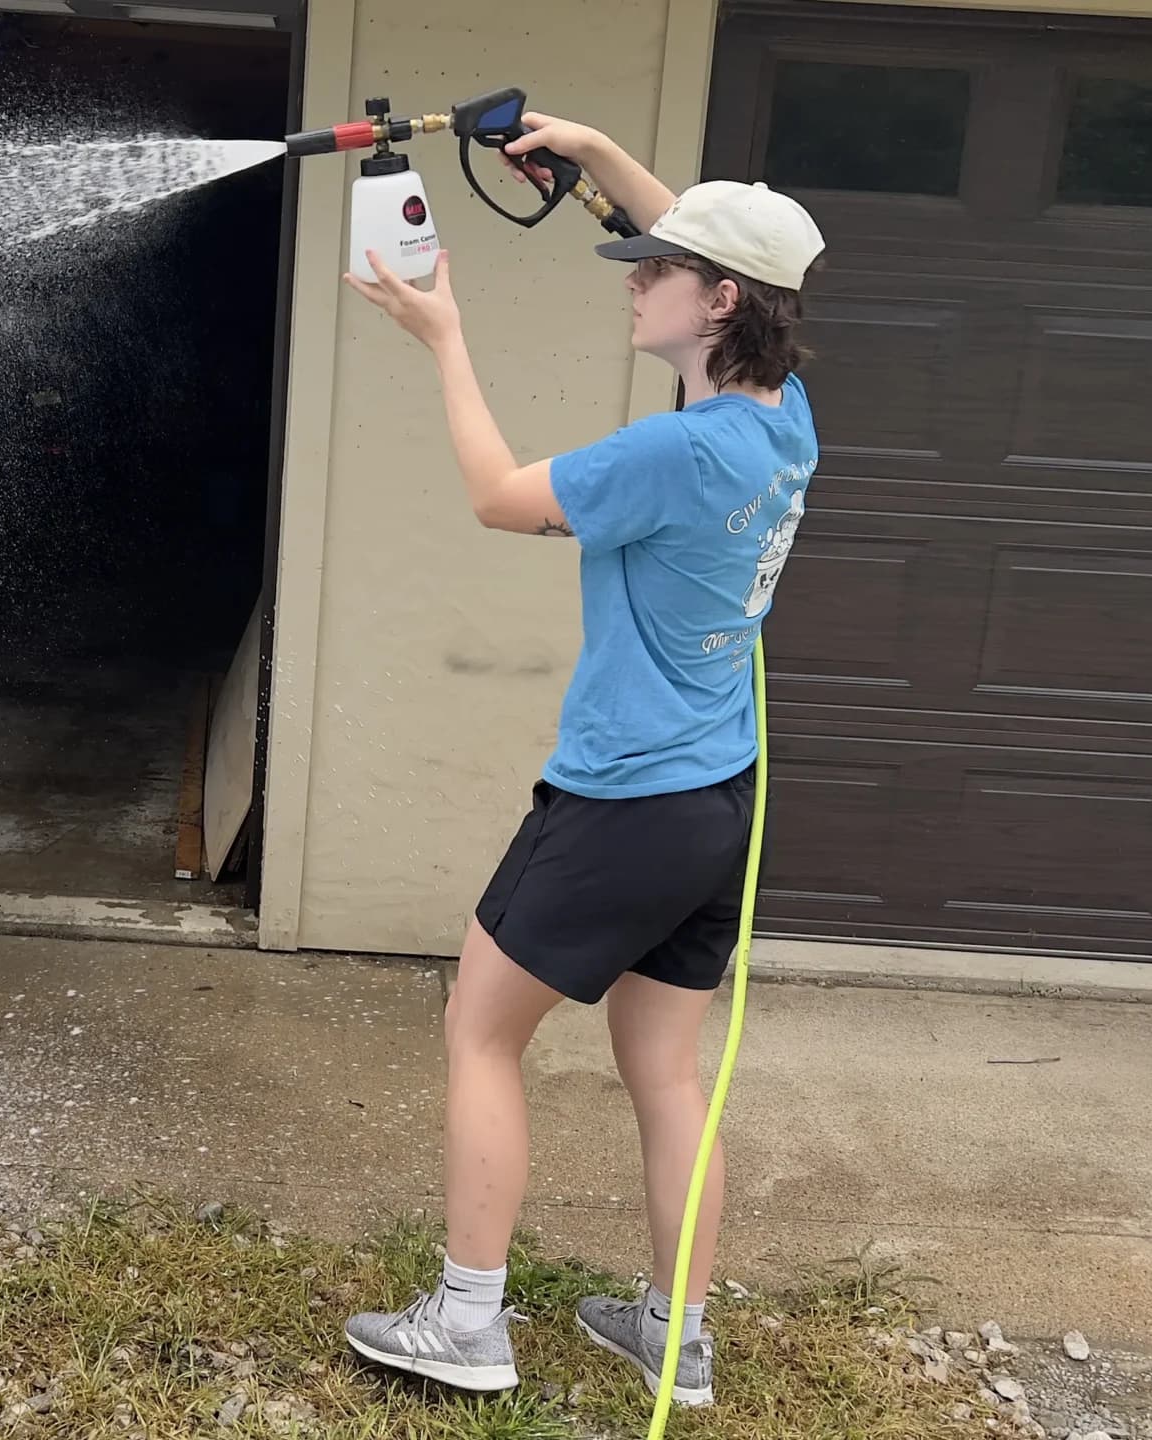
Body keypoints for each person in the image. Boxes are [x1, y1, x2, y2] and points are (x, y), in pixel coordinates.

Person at [336, 113, 824, 1409]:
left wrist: (444, 337)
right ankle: (679, 1336)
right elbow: (715, 248)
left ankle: (467, 1320)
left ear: (715, 302)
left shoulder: (672, 451)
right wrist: (599, 150)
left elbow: (499, 494)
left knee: (480, 1031)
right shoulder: (780, 423)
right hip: (721, 796)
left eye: (652, 272)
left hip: (623, 798)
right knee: (668, 1072)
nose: (633, 277)